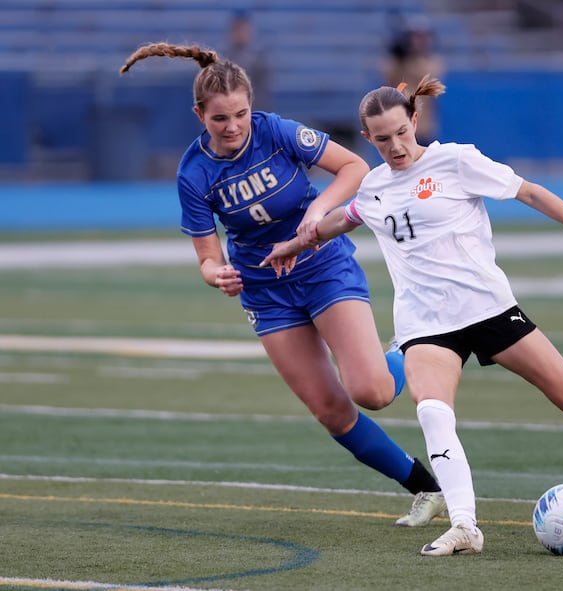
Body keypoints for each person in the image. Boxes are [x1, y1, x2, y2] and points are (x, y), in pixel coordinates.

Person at [262, 75, 563, 556]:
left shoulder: (456, 161)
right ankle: (466, 526)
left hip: (488, 309)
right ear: (367, 139)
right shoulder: (373, 189)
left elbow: (531, 193)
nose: (395, 146)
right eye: (382, 139)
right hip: (425, 325)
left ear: (415, 120)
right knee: (431, 411)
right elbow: (340, 221)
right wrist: (295, 244)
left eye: (401, 133)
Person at [118, 43, 446, 527]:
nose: (233, 127)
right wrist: (216, 275)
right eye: (220, 119)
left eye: (240, 114)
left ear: (253, 106)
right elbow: (208, 257)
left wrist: (317, 211)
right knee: (333, 414)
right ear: (198, 115)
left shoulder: (276, 131)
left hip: (321, 265)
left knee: (373, 392)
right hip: (265, 292)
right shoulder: (193, 173)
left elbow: (353, 167)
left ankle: (410, 349)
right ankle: (426, 488)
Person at [381, 15, 445, 147]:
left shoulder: (432, 62)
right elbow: (387, 75)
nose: (421, 41)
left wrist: (409, 57)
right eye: (416, 37)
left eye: (424, 37)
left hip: (423, 125)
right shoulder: (398, 62)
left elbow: (429, 77)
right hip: (399, 123)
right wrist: (398, 56)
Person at [223, 10, 272, 112]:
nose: (240, 33)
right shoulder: (224, 56)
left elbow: (263, 89)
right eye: (237, 29)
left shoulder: (259, 57)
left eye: (243, 29)